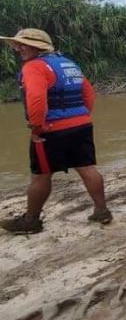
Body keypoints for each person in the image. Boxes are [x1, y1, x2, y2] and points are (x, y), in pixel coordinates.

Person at [0, 29, 112, 234]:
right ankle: (101, 210)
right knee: (87, 168)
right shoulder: (68, 63)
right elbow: (88, 93)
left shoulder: (34, 67)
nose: (18, 49)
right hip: (81, 125)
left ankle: (31, 221)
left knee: (40, 176)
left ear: (38, 46)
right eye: (18, 44)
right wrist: (82, 116)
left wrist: (36, 127)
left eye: (23, 44)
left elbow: (36, 99)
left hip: (50, 129)